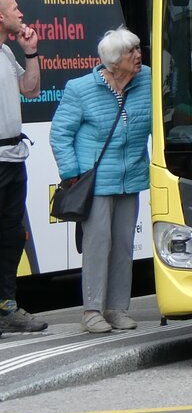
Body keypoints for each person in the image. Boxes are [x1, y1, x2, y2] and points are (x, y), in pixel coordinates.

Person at [50, 26, 152, 333]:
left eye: (137, 49)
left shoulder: (147, 79)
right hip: (94, 182)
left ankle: (117, 308)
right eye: (131, 51)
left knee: (123, 244)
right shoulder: (80, 89)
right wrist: (72, 175)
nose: (138, 55)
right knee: (97, 245)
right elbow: (60, 134)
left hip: (131, 177)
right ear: (113, 61)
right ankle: (92, 310)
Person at [0, 0, 47, 334]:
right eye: (15, 8)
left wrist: (31, 53)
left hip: (14, 157)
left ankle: (7, 308)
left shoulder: (5, 51)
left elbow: (30, 89)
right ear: (1, 18)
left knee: (13, 236)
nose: (21, 12)